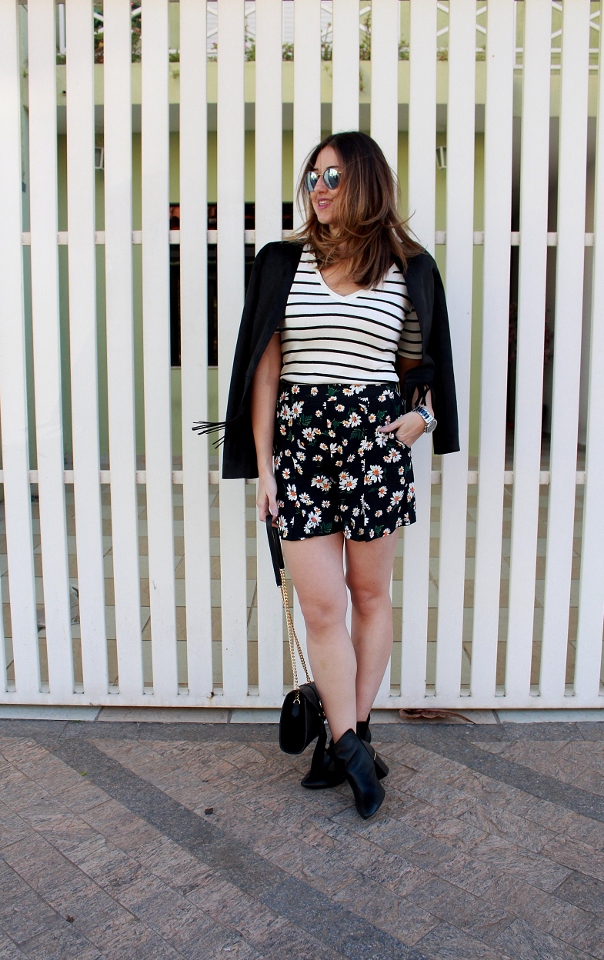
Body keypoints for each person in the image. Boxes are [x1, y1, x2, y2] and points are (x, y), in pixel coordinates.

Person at [194, 131, 459, 819]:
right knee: (320, 607)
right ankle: (349, 748)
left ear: (366, 183)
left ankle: (352, 732)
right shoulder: (282, 263)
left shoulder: (409, 269)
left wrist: (422, 420)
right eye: (314, 175)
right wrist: (264, 467)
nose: (319, 187)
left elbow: (421, 367)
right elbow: (264, 368)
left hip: (375, 447)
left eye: (335, 176)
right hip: (300, 449)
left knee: (369, 596)